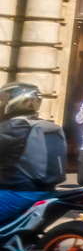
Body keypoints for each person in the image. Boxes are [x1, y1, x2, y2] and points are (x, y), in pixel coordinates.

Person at [0, 83, 67, 224]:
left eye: (4, 100)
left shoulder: (11, 128)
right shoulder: (43, 125)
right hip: (46, 191)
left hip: (16, 193)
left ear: (15, 102)